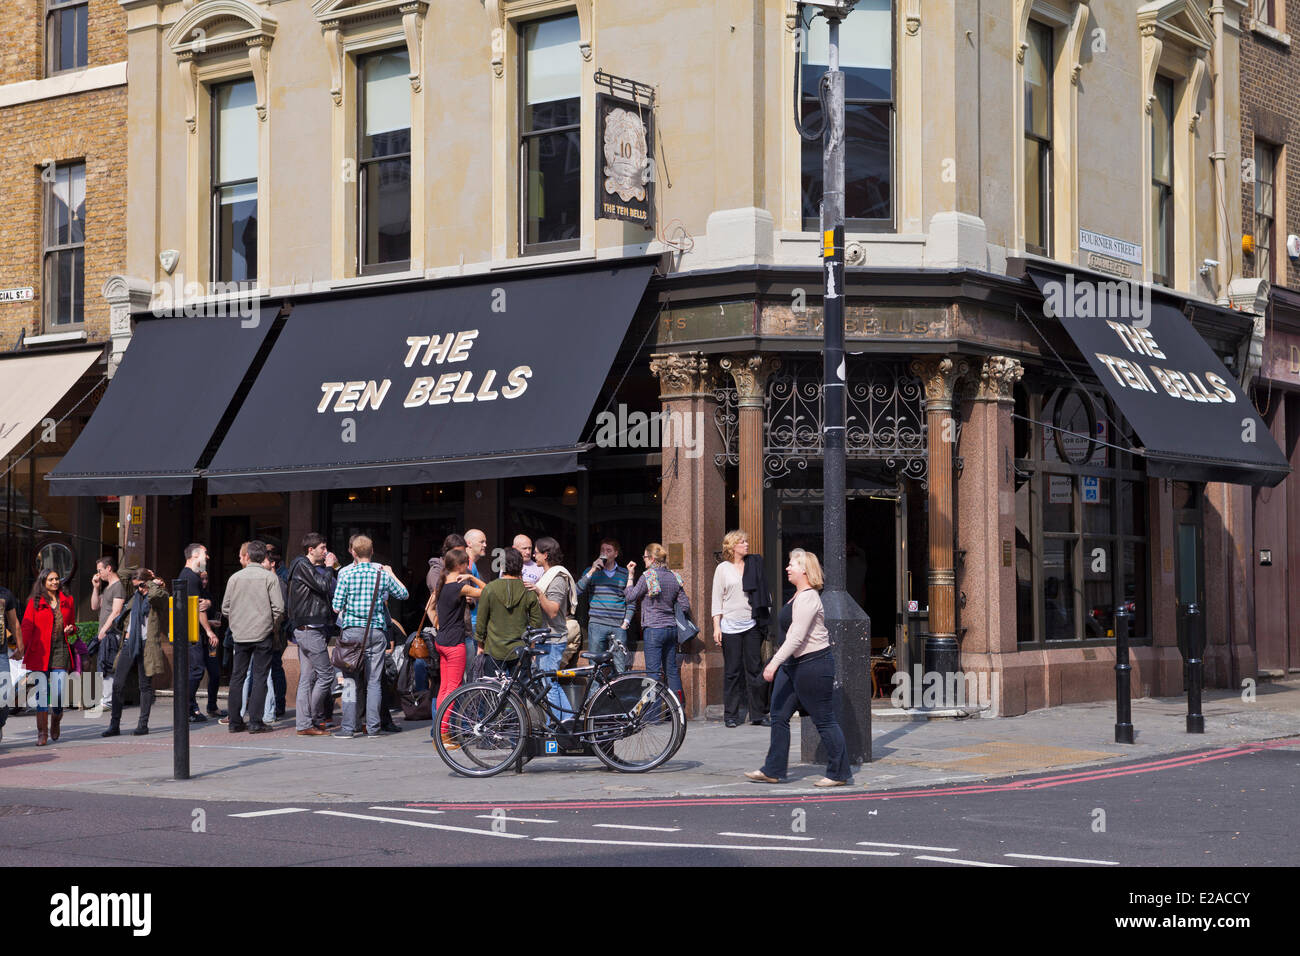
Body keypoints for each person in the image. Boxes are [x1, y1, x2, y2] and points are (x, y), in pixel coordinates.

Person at [746, 549, 851, 788]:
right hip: (793, 666)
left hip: (813, 665)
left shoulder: (810, 598)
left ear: (804, 569)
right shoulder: (796, 596)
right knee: (779, 716)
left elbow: (795, 638)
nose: (787, 568)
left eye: (791, 564)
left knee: (823, 720)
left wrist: (773, 663)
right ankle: (773, 770)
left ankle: (839, 772)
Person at [331, 535, 409, 738]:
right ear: (372, 552)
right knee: (374, 681)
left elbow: (336, 606)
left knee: (349, 680)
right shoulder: (381, 575)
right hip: (376, 631)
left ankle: (348, 727)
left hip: (352, 633)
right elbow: (403, 594)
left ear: (354, 553)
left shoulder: (346, 575)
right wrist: (391, 573)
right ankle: (374, 727)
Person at [221, 540, 285, 734]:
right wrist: (271, 625)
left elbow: (225, 607)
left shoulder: (235, 578)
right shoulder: (269, 578)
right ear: (264, 557)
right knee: (260, 677)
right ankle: (256, 721)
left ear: (247, 556)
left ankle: (234, 721)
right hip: (263, 634)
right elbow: (279, 608)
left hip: (240, 634)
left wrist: (237, 623)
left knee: (237, 677)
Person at [426, 547, 483, 747]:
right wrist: (473, 579)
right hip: (454, 644)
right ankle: (443, 735)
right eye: (466, 563)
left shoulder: (442, 584)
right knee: (454, 690)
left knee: (444, 689)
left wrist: (439, 624)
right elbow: (489, 592)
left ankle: (440, 733)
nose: (468, 566)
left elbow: (429, 608)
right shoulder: (460, 586)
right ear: (460, 565)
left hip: (441, 641)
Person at [102, 568, 169, 738]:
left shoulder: (159, 594)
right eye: (137, 586)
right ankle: (114, 725)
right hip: (129, 643)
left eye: (141, 585)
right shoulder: (135, 597)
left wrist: (152, 584)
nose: (139, 589)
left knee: (145, 686)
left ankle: (142, 725)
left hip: (147, 645)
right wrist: (142, 570)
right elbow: (122, 574)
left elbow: (154, 596)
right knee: (117, 684)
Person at [712, 529, 768, 728]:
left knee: (754, 669)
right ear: (732, 546)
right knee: (732, 671)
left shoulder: (753, 564)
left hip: (751, 623)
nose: (746, 544)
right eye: (742, 542)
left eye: (746, 541)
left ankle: (758, 714)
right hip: (730, 626)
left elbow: (763, 591)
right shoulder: (723, 569)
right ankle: (731, 715)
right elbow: (716, 599)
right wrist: (716, 627)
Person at [20, 570, 79, 746]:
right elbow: (26, 627)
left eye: (56, 579)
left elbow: (73, 625)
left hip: (61, 649)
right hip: (40, 652)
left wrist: (71, 629)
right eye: (50, 579)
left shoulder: (68, 600)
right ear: (43, 582)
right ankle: (42, 733)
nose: (55, 582)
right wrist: (21, 648)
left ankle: (56, 717)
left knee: (58, 690)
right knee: (42, 693)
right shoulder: (35, 602)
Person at [288, 532, 339, 736]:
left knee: (307, 677)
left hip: (307, 628)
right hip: (310, 628)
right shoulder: (303, 565)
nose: (325, 552)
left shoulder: (304, 566)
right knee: (326, 675)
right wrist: (328, 567)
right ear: (311, 550)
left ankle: (304, 724)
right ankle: (314, 717)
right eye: (322, 548)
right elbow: (324, 586)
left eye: (325, 548)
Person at [625, 544, 690, 702]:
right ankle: (677, 710)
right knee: (672, 671)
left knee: (653, 674)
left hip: (653, 629)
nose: (644, 560)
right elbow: (685, 606)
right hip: (671, 629)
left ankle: (653, 715)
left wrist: (630, 576)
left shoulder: (648, 576)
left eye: (645, 557)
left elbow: (630, 597)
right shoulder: (674, 576)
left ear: (652, 559)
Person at [529, 537, 580, 721]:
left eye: (536, 551)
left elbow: (552, 610)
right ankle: (566, 722)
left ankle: (560, 724)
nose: (533, 555)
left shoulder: (557, 577)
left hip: (553, 638)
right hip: (546, 638)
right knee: (548, 683)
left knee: (549, 684)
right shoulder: (547, 575)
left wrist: (538, 592)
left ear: (546, 554)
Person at [474, 547, 542, 675]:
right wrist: (532, 646)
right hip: (520, 650)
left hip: (493, 648)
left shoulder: (490, 589)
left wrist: (480, 645)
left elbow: (481, 621)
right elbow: (536, 623)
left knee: (492, 691)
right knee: (519, 692)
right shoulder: (528, 590)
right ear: (520, 566)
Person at [179, 544, 220, 723]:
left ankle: (189, 707)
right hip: (190, 633)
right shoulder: (190, 577)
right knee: (196, 671)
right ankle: (186, 706)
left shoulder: (191, 577)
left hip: (191, 632)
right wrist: (210, 631)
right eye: (205, 554)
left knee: (197, 670)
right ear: (195, 556)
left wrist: (209, 604)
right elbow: (197, 609)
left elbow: (203, 603)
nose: (207, 558)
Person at [577, 538, 632, 673]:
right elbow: (577, 591)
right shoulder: (591, 571)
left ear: (616, 554)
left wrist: (626, 622)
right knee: (595, 668)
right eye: (602, 550)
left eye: (609, 550)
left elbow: (631, 600)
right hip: (597, 625)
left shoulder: (625, 574)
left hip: (618, 626)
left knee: (620, 667)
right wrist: (592, 571)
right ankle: (595, 693)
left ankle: (620, 693)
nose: (605, 553)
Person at [86, 555, 125, 719]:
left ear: (109, 568)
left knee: (108, 665)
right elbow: (94, 606)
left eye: (100, 570)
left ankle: (108, 701)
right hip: (105, 633)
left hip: (112, 633)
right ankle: (107, 700)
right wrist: (96, 587)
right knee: (103, 664)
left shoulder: (118, 587)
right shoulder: (108, 587)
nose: (98, 573)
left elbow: (116, 611)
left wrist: (104, 629)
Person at [265, 543, 291, 717]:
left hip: (275, 632)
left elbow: (281, 610)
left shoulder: (279, 582)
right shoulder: (267, 581)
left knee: (275, 668)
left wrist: (274, 628)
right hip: (269, 631)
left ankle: (279, 704)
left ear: (272, 563)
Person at [197, 569, 226, 718]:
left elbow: (214, 612)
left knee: (214, 673)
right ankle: (191, 707)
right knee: (197, 673)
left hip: (210, 640)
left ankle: (212, 706)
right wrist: (209, 624)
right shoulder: (193, 593)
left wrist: (214, 622)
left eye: (206, 579)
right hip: (196, 639)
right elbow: (190, 617)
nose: (204, 582)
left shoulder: (208, 595)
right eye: (202, 579)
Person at [0, 581, 22, 743]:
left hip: (1, 653)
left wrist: (20, 647)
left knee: (5, 694)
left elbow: (14, 623)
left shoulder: (5, 594)